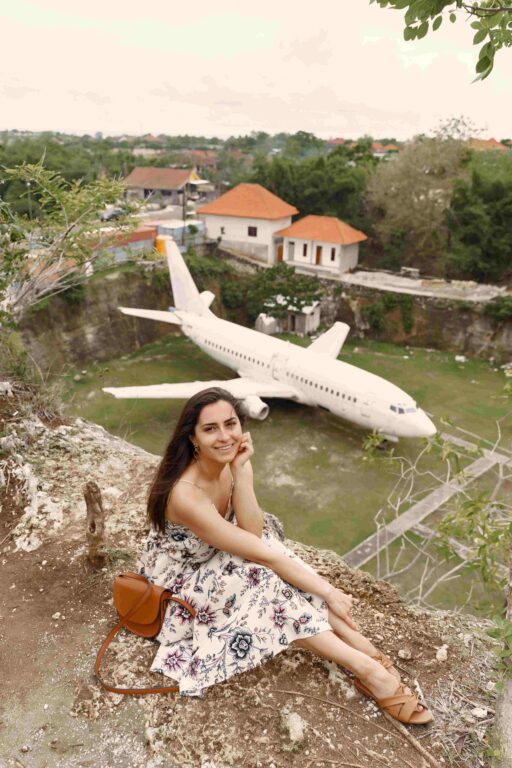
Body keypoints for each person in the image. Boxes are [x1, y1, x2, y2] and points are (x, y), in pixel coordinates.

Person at [137, 387, 432, 724]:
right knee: (264, 574)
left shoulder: (228, 464)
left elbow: (252, 531)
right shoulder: (186, 494)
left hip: (217, 556)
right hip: (179, 581)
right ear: (192, 437)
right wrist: (330, 592)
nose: (224, 436)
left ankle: (353, 640)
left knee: (272, 558)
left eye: (230, 424)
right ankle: (366, 667)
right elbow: (261, 551)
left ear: (241, 425)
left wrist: (242, 473)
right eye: (210, 429)